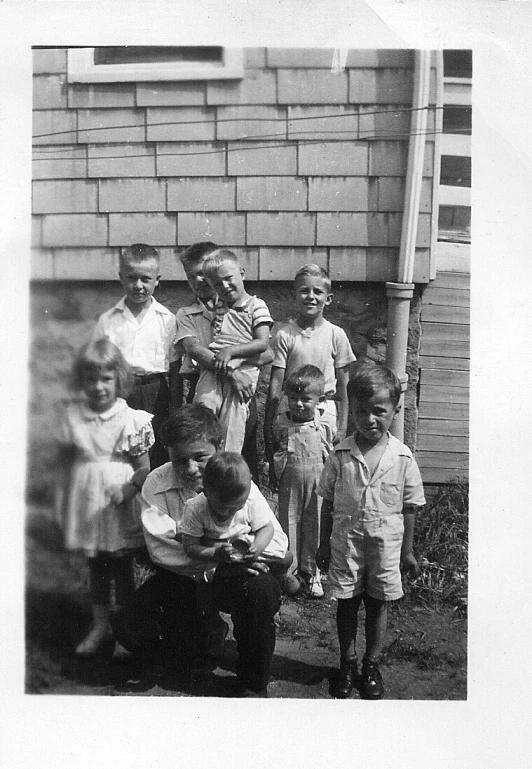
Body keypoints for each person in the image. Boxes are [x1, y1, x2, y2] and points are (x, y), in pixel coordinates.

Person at [112, 404, 283, 697]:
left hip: (232, 575)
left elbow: (277, 542)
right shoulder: (156, 483)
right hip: (183, 577)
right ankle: (202, 636)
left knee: (260, 591)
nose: (190, 468)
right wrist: (222, 557)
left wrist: (240, 557)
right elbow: (161, 549)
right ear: (168, 455)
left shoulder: (233, 475)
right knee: (130, 627)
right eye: (180, 460)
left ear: (217, 446)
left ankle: (252, 682)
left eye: (200, 457)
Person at [316, 364, 426, 700]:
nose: (370, 419)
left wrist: (407, 552)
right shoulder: (340, 455)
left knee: (378, 604)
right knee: (347, 604)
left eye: (379, 411)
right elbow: (327, 503)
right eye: (361, 412)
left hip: (386, 548)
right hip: (347, 545)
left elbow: (409, 508)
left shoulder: (403, 458)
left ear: (395, 409)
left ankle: (371, 663)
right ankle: (346, 662)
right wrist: (322, 544)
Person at [54, 339, 154, 656]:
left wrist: (127, 490)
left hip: (117, 502)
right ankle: (100, 625)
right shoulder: (74, 415)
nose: (98, 387)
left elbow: (144, 469)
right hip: (87, 502)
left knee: (121, 565)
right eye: (90, 379)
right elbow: (66, 464)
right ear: (81, 380)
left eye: (106, 379)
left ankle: (125, 629)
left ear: (118, 379)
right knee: (96, 564)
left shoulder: (131, 419)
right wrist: (62, 502)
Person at [175, 242, 268, 481]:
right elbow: (194, 349)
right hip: (208, 384)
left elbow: (268, 353)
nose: (199, 280)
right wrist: (231, 372)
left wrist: (237, 364)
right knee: (202, 444)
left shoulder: (240, 307)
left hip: (242, 389)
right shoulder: (187, 313)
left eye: (203, 273)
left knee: (238, 452)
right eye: (191, 276)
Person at [264, 263, 356, 486]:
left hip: (324, 414)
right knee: (292, 470)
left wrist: (342, 426)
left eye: (318, 292)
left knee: (324, 474)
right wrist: (270, 425)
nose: (311, 297)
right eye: (304, 291)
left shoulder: (336, 335)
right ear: (294, 296)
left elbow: (344, 385)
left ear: (329, 298)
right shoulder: (285, 335)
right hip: (293, 412)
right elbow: (276, 384)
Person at [93, 243, 179, 468]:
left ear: (157, 280)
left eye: (145, 279)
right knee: (121, 454)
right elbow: (97, 366)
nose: (138, 285)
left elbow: (176, 367)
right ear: (121, 278)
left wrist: (175, 407)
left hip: (156, 393)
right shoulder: (109, 320)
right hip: (121, 393)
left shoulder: (167, 320)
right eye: (131, 278)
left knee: (157, 454)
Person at [192, 249, 273, 452]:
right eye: (217, 284)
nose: (225, 287)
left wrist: (232, 353)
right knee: (204, 407)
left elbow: (262, 343)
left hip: (242, 369)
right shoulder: (219, 304)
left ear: (242, 273)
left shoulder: (257, 306)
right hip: (214, 369)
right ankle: (202, 453)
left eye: (229, 279)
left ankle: (227, 461)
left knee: (232, 419)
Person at [180, 452, 290, 592]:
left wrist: (258, 547)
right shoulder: (196, 508)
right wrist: (214, 553)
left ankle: (278, 580)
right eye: (222, 507)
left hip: (245, 547)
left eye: (238, 507)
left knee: (286, 558)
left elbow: (267, 528)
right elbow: (190, 547)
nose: (229, 512)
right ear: (206, 492)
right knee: (212, 573)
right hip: (217, 554)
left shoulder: (250, 499)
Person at [271, 365, 335, 598]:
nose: (298, 404)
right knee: (289, 521)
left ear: (319, 400)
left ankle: (313, 571)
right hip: (291, 481)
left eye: (306, 399)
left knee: (315, 522)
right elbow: (278, 451)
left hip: (317, 482)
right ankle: (290, 570)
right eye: (293, 398)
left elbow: (329, 453)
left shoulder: (323, 424)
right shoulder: (282, 424)